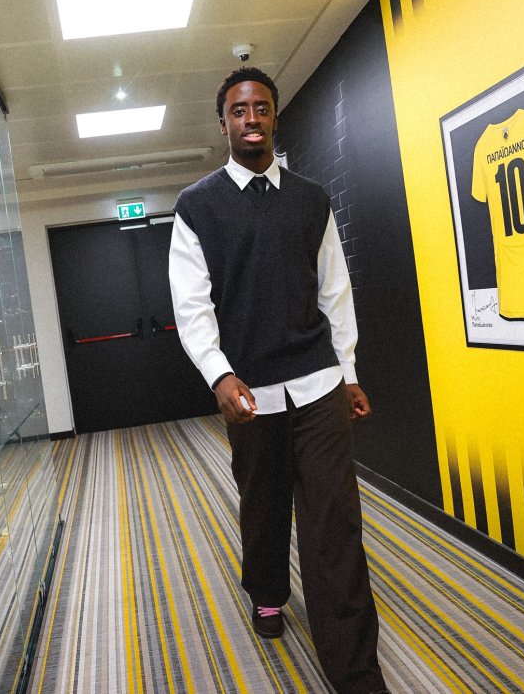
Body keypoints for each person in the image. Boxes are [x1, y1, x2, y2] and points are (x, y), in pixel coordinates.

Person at [169, 67, 388, 694]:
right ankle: (267, 590)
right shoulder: (196, 206)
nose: (251, 119)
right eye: (239, 110)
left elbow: (335, 290)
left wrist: (348, 372)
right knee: (262, 502)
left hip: (318, 383)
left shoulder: (312, 199)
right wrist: (219, 374)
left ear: (274, 116)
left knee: (334, 523)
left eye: (261, 108)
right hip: (251, 392)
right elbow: (192, 306)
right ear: (223, 123)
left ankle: (355, 672)